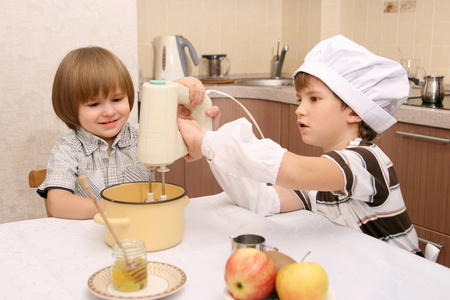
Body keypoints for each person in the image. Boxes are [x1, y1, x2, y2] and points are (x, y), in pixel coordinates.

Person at [178, 35, 422, 255]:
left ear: (354, 111)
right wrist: (211, 141)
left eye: (314, 99)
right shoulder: (323, 182)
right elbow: (262, 201)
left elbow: (293, 171)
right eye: (300, 100)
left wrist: (206, 142)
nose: (299, 110)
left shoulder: (365, 162)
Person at [37, 46, 219, 219]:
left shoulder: (143, 135)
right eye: (94, 104)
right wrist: (112, 209)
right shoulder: (67, 149)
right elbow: (57, 203)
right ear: (70, 108)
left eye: (116, 99)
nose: (109, 111)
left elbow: (192, 151)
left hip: (143, 230)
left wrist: (198, 114)